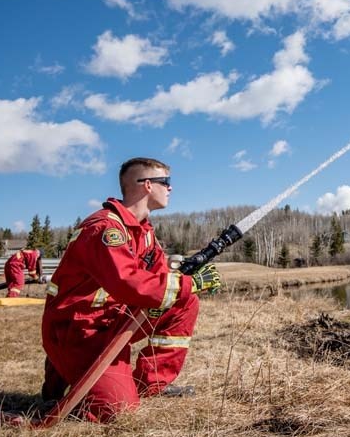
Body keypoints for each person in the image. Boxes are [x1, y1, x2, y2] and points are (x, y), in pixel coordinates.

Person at [40, 157, 221, 422]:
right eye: (166, 182)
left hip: (110, 322)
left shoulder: (144, 232)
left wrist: (186, 279)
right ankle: (71, 378)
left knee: (185, 303)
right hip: (79, 331)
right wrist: (189, 283)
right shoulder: (104, 229)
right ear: (147, 185)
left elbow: (157, 279)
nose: (171, 188)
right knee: (117, 410)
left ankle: (149, 385)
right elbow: (128, 282)